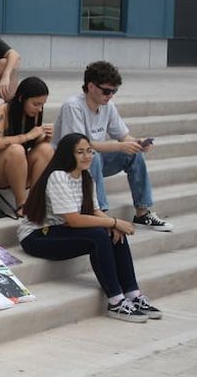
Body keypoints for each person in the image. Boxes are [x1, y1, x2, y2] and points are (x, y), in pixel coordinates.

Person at [19, 133, 161, 322]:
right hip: (37, 236)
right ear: (68, 155)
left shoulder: (86, 177)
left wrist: (113, 225)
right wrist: (114, 222)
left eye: (89, 151)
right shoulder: (58, 176)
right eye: (80, 152)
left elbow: (94, 211)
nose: (87, 156)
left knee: (113, 233)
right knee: (99, 235)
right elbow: (73, 220)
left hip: (62, 230)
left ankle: (132, 294)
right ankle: (115, 301)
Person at [53, 61, 171, 231]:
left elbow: (123, 136)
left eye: (114, 91)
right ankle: (100, 213)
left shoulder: (108, 106)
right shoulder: (73, 107)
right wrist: (118, 146)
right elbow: (79, 146)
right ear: (91, 86)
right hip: (68, 164)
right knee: (91, 155)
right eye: (106, 91)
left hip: (94, 161)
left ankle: (142, 213)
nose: (110, 96)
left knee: (134, 154)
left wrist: (137, 143)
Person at [0, 76, 55, 214]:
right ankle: (22, 204)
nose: (39, 109)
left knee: (46, 149)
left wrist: (44, 138)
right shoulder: (2, 110)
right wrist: (28, 136)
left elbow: (33, 146)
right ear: (21, 98)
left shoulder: (34, 114)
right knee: (16, 150)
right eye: (35, 104)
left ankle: (35, 201)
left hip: (19, 164)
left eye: (42, 105)